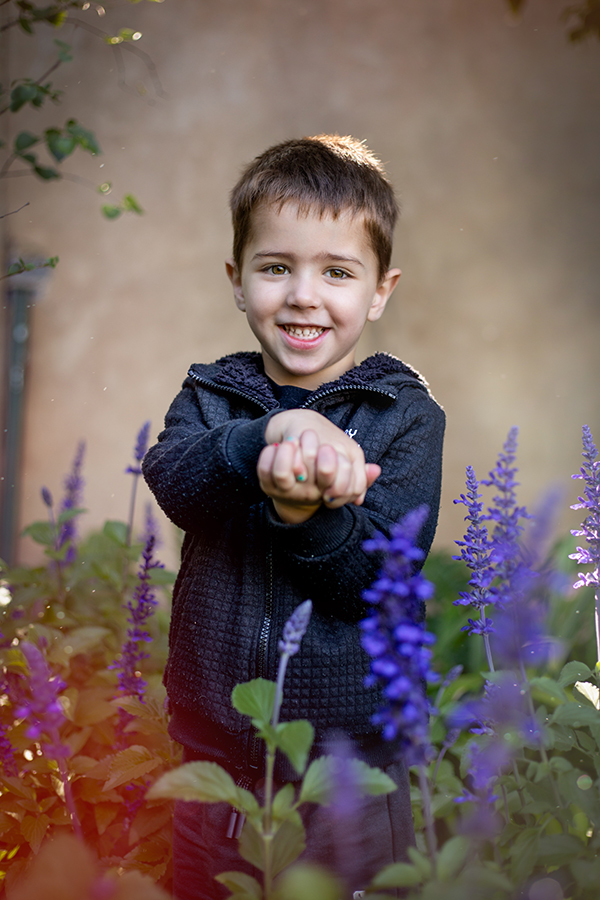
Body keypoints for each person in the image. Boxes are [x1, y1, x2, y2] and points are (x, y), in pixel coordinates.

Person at [142, 134, 445, 900]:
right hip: (216, 772)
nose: (304, 295)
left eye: (337, 272)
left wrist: (305, 513)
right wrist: (266, 436)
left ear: (380, 289)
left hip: (350, 778)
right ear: (237, 281)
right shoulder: (211, 398)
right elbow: (175, 477)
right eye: (276, 267)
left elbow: (382, 576)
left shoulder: (401, 416)